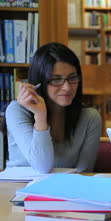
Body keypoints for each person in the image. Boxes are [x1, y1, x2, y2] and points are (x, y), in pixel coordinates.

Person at [6, 42, 102, 173]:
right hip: (17, 189)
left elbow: (85, 172)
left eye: (72, 78)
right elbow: (42, 166)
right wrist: (40, 116)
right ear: (39, 82)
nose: (67, 87)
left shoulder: (90, 117)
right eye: (56, 80)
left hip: (67, 190)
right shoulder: (16, 111)